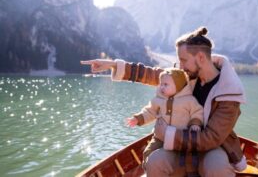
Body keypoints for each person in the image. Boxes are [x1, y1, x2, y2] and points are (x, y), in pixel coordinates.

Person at [81, 26, 247, 177]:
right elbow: (153, 74)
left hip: (211, 147)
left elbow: (211, 138)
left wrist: (167, 133)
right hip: (177, 143)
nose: (179, 66)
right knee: (155, 162)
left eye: (183, 60)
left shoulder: (229, 92)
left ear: (201, 57)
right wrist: (113, 65)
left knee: (216, 167)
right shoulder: (185, 75)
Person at [126, 68, 203, 164]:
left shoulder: (189, 101)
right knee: (148, 153)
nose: (162, 87)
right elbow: (149, 111)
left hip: (179, 138)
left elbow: (197, 112)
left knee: (186, 159)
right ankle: (150, 170)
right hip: (160, 138)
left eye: (166, 84)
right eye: (161, 84)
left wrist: (195, 124)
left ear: (178, 86)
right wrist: (138, 118)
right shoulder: (158, 100)